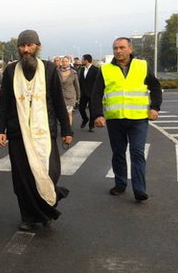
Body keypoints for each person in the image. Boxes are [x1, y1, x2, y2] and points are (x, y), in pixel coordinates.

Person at [0, 30, 73, 231]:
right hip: (17, 132)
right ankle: (28, 216)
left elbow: (58, 102)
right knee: (22, 178)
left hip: (45, 132)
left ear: (38, 46)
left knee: (49, 173)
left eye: (30, 45)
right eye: (22, 46)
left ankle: (46, 208)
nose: (26, 49)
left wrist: (67, 129)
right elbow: (4, 102)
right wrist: (0, 129)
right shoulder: (11, 71)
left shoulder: (48, 69)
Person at [91, 37, 162, 202]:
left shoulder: (141, 66)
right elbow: (96, 94)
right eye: (115, 48)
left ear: (130, 49)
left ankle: (139, 189)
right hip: (115, 119)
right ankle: (120, 183)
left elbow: (156, 87)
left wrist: (155, 108)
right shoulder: (105, 69)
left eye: (122, 47)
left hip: (138, 119)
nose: (118, 51)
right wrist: (97, 115)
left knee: (137, 153)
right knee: (118, 153)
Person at [78, 54, 98, 132]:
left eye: (82, 59)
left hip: (92, 93)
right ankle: (85, 119)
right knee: (81, 108)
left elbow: (97, 82)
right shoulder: (82, 69)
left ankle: (91, 125)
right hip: (83, 93)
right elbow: (81, 81)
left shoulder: (95, 70)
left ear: (86, 60)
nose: (81, 61)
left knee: (91, 110)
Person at [58, 55, 80, 127]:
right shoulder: (57, 72)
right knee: (62, 114)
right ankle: (64, 127)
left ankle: (68, 129)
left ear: (69, 62)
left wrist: (78, 96)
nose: (64, 63)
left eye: (66, 61)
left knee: (69, 113)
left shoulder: (73, 73)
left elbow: (76, 85)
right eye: (63, 61)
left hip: (70, 96)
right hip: (60, 96)